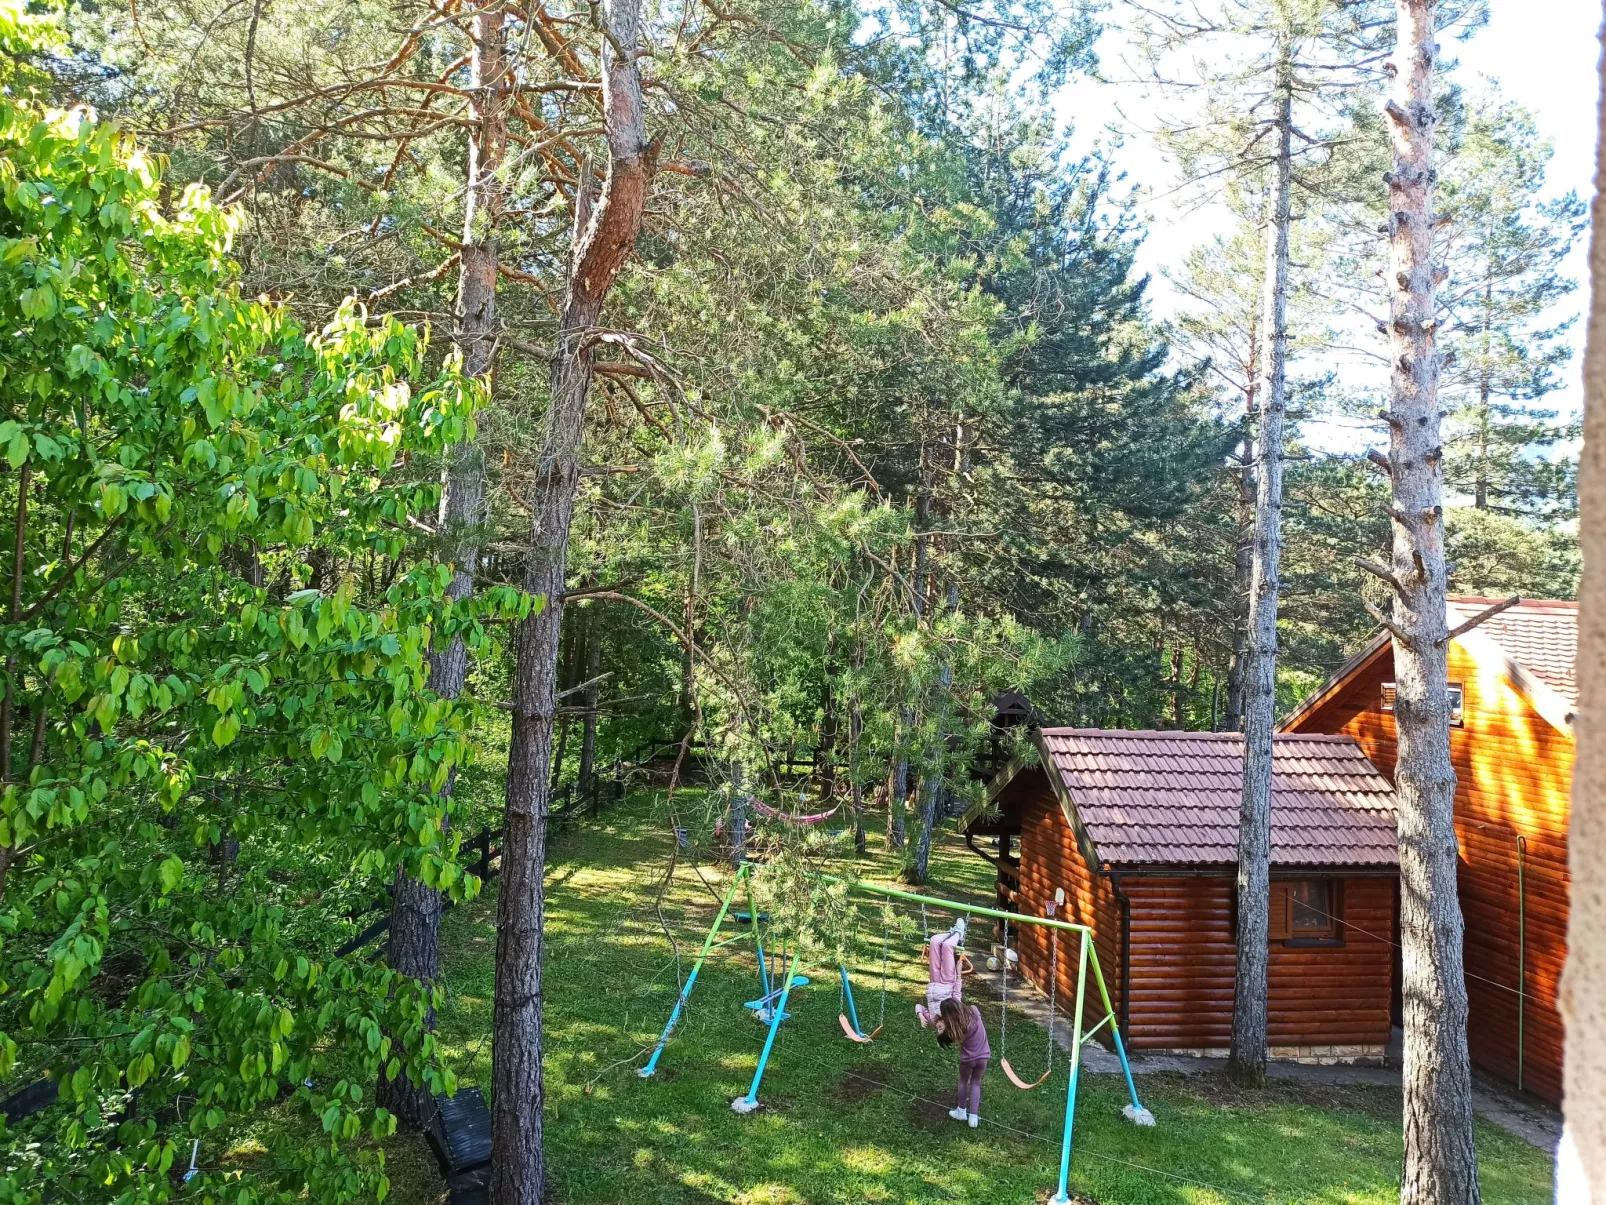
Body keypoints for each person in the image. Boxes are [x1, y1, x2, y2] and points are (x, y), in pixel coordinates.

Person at [935, 995, 990, 1128]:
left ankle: (961, 1111)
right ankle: (973, 1117)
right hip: (984, 1056)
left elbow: (945, 1034)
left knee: (963, 1081)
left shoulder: (954, 1029)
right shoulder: (974, 1010)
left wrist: (941, 1027)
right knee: (976, 1082)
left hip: (968, 1059)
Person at [915, 917, 971, 1027]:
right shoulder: (953, 1013)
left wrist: (920, 1015)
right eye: (941, 1029)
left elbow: (918, 1006)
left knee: (934, 940)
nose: (938, 1027)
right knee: (947, 945)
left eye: (938, 1029)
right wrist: (958, 973)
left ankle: (952, 932)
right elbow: (957, 994)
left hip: (934, 980)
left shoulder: (932, 1019)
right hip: (948, 981)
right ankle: (959, 932)